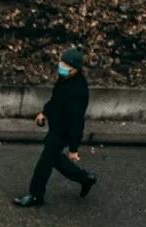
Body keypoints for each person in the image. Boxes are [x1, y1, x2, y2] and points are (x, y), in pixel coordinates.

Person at [13, 47, 96, 207]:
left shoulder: (78, 91)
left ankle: (36, 196)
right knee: (54, 159)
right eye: (61, 63)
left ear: (75, 69)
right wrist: (44, 113)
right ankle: (85, 178)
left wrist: (73, 148)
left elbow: (77, 121)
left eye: (66, 66)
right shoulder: (64, 80)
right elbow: (56, 100)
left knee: (44, 163)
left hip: (63, 132)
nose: (61, 68)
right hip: (56, 127)